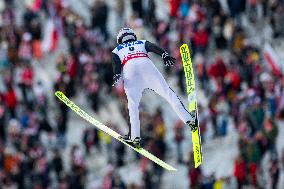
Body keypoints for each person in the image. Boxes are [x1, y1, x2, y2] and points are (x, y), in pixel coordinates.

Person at [111, 28, 196, 148]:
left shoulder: (116, 49)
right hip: (146, 66)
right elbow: (153, 47)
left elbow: (116, 64)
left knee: (132, 106)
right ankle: (190, 120)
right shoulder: (140, 42)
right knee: (168, 94)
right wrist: (164, 54)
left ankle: (134, 137)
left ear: (120, 40)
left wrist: (116, 74)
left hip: (130, 70)